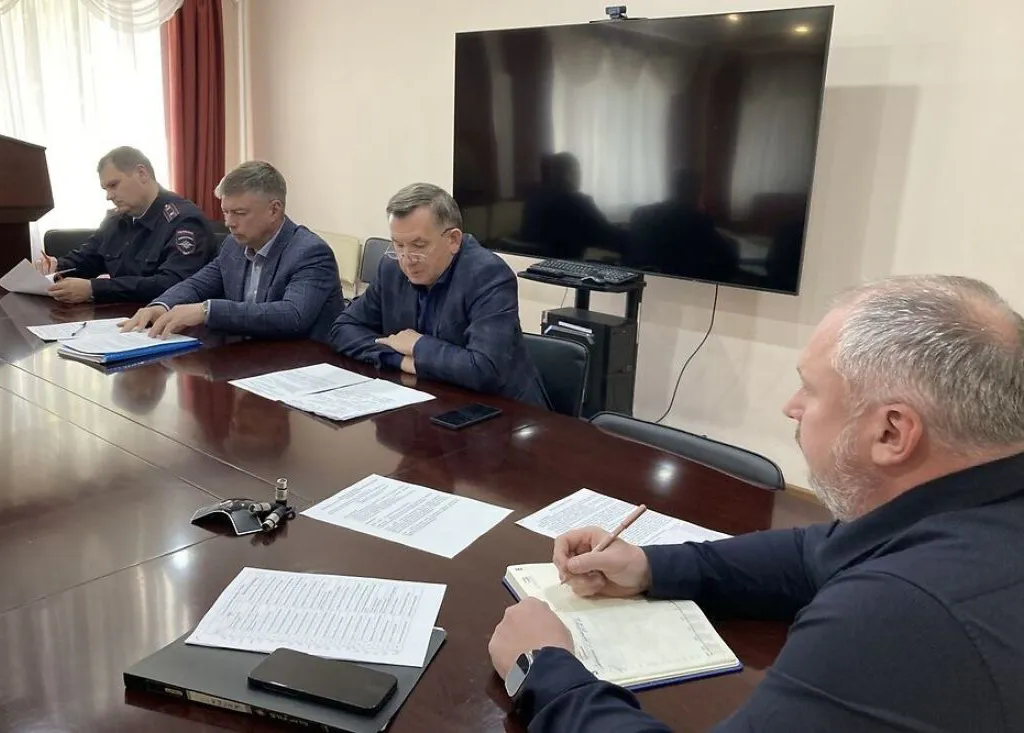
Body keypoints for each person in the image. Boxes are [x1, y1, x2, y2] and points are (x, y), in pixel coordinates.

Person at [489, 274, 1024, 732]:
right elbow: (817, 552)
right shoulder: (976, 500)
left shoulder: (899, 613)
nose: (792, 407)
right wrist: (650, 567)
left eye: (810, 390)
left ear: (892, 432)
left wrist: (544, 672)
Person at [329, 183, 547, 408]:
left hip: (502, 411)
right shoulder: (391, 268)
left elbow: (484, 369)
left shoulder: (488, 275)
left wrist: (417, 346)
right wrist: (399, 359)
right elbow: (343, 329)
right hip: (426, 399)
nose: (407, 259)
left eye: (419, 245)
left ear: (453, 240)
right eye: (398, 245)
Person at [120, 161, 343, 340]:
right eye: (226, 212)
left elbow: (292, 316)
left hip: (304, 365)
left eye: (239, 213)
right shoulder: (233, 245)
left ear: (274, 210)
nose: (229, 223)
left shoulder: (310, 253)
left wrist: (207, 311)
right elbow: (197, 285)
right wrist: (161, 305)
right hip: (252, 358)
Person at [35, 146, 215, 304]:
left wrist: (94, 289)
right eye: (106, 189)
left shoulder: (184, 221)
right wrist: (56, 266)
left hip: (165, 320)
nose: (109, 196)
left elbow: (173, 283)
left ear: (142, 174)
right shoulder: (116, 219)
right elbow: (88, 258)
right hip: (118, 317)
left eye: (114, 185)